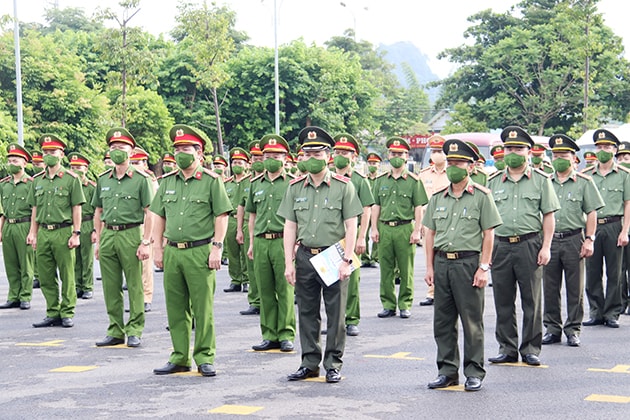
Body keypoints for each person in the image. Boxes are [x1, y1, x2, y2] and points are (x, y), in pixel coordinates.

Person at [278, 126, 363, 383]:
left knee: (336, 314)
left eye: (318, 154)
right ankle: (309, 362)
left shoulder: (343, 186)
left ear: (328, 155)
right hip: (305, 256)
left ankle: (333, 363)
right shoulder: (295, 188)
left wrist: (347, 259)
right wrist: (288, 263)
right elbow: (290, 226)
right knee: (306, 312)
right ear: (302, 157)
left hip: (333, 256)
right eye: (307, 154)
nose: (312, 158)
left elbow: (351, 224)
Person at [151, 124, 232, 377]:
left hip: (200, 251)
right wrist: (157, 248)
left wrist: (217, 247)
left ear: (199, 153)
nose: (180, 154)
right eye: (177, 149)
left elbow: (221, 215)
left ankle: (205, 356)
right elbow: (158, 215)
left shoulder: (211, 181)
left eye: (185, 148)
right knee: (175, 307)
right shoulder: (166, 182)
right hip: (173, 251)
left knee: (202, 307)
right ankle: (179, 356)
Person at [424, 139, 502, 392]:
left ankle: (474, 371)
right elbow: (430, 234)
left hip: (469, 263)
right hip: (442, 262)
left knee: (471, 321)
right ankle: (447, 371)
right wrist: (429, 268)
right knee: (442, 322)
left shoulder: (482, 196)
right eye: (450, 162)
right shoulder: (438, 198)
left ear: (470, 167)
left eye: (459, 163)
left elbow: (488, 234)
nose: (453, 167)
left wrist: (484, 267)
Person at [486, 126, 560, 366]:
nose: (513, 152)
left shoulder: (540, 180)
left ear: (529, 152)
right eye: (509, 148)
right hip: (501, 246)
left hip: (530, 244)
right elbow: (484, 220)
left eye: (518, 148)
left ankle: (530, 348)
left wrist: (546, 246)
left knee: (532, 300)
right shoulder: (493, 181)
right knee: (503, 300)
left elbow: (548, 215)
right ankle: (507, 347)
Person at [92, 129, 153, 347]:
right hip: (108, 233)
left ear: (132, 151)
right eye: (113, 148)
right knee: (110, 285)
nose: (117, 151)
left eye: (122, 147)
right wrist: (98, 240)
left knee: (134, 284)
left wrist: (146, 241)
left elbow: (150, 212)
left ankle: (135, 329)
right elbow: (98, 211)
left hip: (131, 233)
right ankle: (115, 329)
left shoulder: (141, 179)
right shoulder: (103, 179)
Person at [542, 134, 603, 348]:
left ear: (573, 157)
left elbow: (592, 212)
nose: (559, 158)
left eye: (564, 154)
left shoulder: (584, 182)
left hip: (573, 239)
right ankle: (552, 328)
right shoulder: (545, 182)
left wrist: (590, 239)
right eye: (555, 154)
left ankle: (573, 329)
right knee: (550, 288)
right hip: (550, 241)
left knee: (574, 288)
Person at [27, 134, 85, 328]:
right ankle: (52, 311)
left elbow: (77, 207)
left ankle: (67, 311)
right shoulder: (37, 181)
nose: (48, 155)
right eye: (45, 152)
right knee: (45, 274)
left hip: (63, 231)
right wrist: (32, 232)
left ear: (61, 154)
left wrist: (76, 233)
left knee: (67, 274)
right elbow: (35, 209)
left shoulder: (70, 179)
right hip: (43, 231)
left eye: (52, 151)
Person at [246, 134, 296, 351]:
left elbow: (297, 217)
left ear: (285, 158)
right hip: (260, 241)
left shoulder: (293, 184)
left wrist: (295, 245)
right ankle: (269, 334)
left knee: (284, 290)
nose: (271, 159)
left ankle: (286, 333)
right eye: (267, 155)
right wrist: (250, 243)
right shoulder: (255, 184)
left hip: (281, 241)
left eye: (276, 155)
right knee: (264, 289)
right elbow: (252, 216)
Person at [371, 137, 428, 318]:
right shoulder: (381, 180)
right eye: (393, 153)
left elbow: (418, 207)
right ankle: (388, 304)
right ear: (388, 155)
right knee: (385, 269)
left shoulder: (413, 180)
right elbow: (376, 206)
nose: (396, 157)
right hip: (385, 228)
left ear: (406, 156)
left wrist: (417, 230)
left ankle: (405, 303)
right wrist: (374, 228)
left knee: (406, 269)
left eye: (400, 154)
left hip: (405, 228)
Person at [582, 129, 630, 328]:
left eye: (607, 147)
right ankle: (596, 311)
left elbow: (628, 203)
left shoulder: (624, 175)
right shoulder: (586, 175)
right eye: (600, 147)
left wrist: (625, 230)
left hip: (613, 225)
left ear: (614, 149)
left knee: (615, 272)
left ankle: (612, 312)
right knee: (592, 272)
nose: (603, 150)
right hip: (592, 228)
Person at [332, 133, 375, 336]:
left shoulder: (359, 181)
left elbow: (366, 210)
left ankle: (351, 319)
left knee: (351, 279)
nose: (340, 156)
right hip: (330, 234)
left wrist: (361, 237)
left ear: (354, 157)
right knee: (330, 280)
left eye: (345, 153)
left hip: (350, 235)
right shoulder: (327, 177)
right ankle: (335, 320)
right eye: (337, 152)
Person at [0, 144, 34, 310]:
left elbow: (35, 209)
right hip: (8, 226)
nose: (11, 163)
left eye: (15, 160)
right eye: (10, 160)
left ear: (24, 163)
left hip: (24, 224)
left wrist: (33, 232)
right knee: (11, 263)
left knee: (26, 263)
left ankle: (25, 296)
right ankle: (13, 295)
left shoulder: (30, 184)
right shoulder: (4, 184)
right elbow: (2, 212)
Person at [418, 135, 449, 307]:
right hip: (428, 223)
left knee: (445, 258)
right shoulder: (423, 175)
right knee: (429, 258)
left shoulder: (451, 173)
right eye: (434, 151)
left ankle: (445, 292)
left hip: (447, 222)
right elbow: (420, 202)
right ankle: (431, 293)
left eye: (439, 151)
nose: (436, 155)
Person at [130, 147, 158, 312]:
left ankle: (146, 297)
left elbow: (155, 209)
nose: (134, 166)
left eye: (137, 162)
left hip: (146, 224)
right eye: (132, 162)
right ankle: (136, 298)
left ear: (145, 163)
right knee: (132, 265)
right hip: (131, 224)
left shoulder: (150, 180)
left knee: (146, 265)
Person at [237, 142, 263, 315]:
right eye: (255, 157)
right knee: (252, 265)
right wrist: (239, 229)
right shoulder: (248, 183)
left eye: (261, 157)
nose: (258, 160)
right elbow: (241, 206)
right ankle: (255, 300)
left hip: (275, 230)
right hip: (251, 226)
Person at [68, 153, 97, 300]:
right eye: (73, 167)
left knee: (87, 258)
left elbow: (98, 210)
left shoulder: (91, 187)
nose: (75, 170)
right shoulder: (70, 184)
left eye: (78, 167)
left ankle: (87, 286)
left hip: (87, 223)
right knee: (75, 258)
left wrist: (95, 230)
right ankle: (78, 286)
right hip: (72, 224)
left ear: (86, 168)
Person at [223, 147, 251, 294]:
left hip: (246, 219)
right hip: (230, 219)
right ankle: (235, 280)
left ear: (247, 165)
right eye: (234, 162)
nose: (236, 165)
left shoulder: (250, 181)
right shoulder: (227, 183)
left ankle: (247, 280)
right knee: (232, 251)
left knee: (245, 251)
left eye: (240, 162)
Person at [360, 152, 381, 268]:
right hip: (365, 211)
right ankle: (365, 257)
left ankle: (375, 258)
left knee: (376, 235)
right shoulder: (364, 179)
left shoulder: (381, 179)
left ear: (379, 165)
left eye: (375, 163)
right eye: (370, 163)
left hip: (377, 212)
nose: (372, 165)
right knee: (364, 234)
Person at [30, 150, 46, 289]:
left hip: (57, 224)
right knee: (36, 253)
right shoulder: (36, 180)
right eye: (34, 164)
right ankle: (38, 276)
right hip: (37, 221)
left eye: (38, 163)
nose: (36, 166)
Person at [618, 143, 630, 315]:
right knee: (619, 269)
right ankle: (621, 301)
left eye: (626, 159)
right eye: (619, 159)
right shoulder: (619, 178)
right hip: (620, 227)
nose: (623, 162)